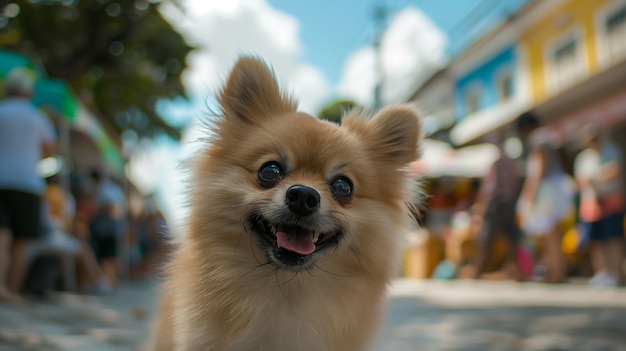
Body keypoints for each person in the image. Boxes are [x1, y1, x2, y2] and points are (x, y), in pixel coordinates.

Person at [0, 67, 57, 303]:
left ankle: (0, 286)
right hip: (27, 183)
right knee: (23, 241)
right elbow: (49, 152)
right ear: (29, 91)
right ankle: (12, 290)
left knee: (1, 237)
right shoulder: (38, 117)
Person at [517, 133, 576, 283]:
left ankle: (556, 273)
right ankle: (557, 272)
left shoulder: (539, 155)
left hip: (546, 195)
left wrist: (529, 198)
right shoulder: (546, 156)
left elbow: (537, 176)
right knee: (553, 237)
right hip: (552, 193)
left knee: (550, 237)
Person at [574, 126, 625, 287]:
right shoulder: (583, 158)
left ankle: (616, 274)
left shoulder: (612, 151)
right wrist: (600, 176)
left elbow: (616, 170)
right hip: (591, 204)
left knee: (614, 238)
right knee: (596, 241)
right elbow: (581, 180)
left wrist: (596, 177)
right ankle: (602, 273)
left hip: (612, 201)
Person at [471, 132, 525, 280]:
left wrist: (480, 210)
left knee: (486, 240)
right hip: (511, 204)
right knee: (512, 239)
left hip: (499, 205)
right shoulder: (513, 163)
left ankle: (477, 271)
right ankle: (517, 271)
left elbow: (490, 189)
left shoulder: (497, 163)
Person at [89, 168, 126, 288]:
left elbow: (115, 208)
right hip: (107, 229)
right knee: (108, 256)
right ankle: (110, 282)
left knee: (108, 257)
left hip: (108, 229)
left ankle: (110, 282)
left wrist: (99, 209)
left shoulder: (106, 189)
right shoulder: (110, 188)